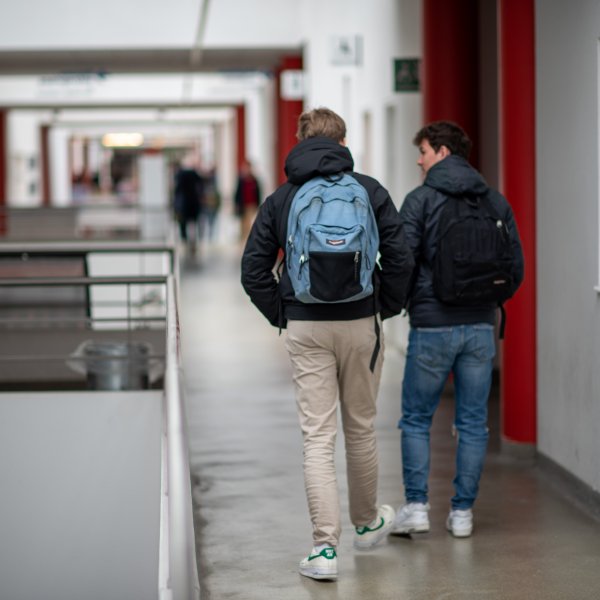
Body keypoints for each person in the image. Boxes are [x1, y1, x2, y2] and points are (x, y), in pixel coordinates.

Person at [241, 107, 414, 581]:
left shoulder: (282, 196)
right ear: (342, 140)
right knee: (360, 427)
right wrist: (386, 306)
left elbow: (252, 269)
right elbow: (400, 255)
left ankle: (323, 550)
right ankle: (366, 523)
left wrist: (285, 311)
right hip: (361, 321)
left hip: (306, 325)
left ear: (300, 140)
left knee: (318, 436)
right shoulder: (370, 190)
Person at [393, 121, 524, 538]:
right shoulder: (495, 202)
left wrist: (405, 303)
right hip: (480, 328)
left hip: (432, 325)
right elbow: (515, 269)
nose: (419, 158)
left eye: (425, 151)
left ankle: (416, 507)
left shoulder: (419, 201)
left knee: (416, 419)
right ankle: (463, 514)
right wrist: (488, 301)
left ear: (444, 153)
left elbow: (401, 262)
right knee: (472, 423)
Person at [174, 160, 204, 253]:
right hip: (193, 206)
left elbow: (176, 193)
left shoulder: (180, 180)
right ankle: (193, 241)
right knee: (193, 224)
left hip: (184, 206)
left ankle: (185, 241)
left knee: (184, 225)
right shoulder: (194, 180)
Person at [234, 159, 261, 242]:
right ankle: (243, 239)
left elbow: (258, 193)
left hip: (251, 205)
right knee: (243, 223)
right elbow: (237, 193)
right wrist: (236, 204)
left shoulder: (254, 180)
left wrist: (258, 204)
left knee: (249, 222)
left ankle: (248, 239)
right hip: (243, 205)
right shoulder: (241, 180)